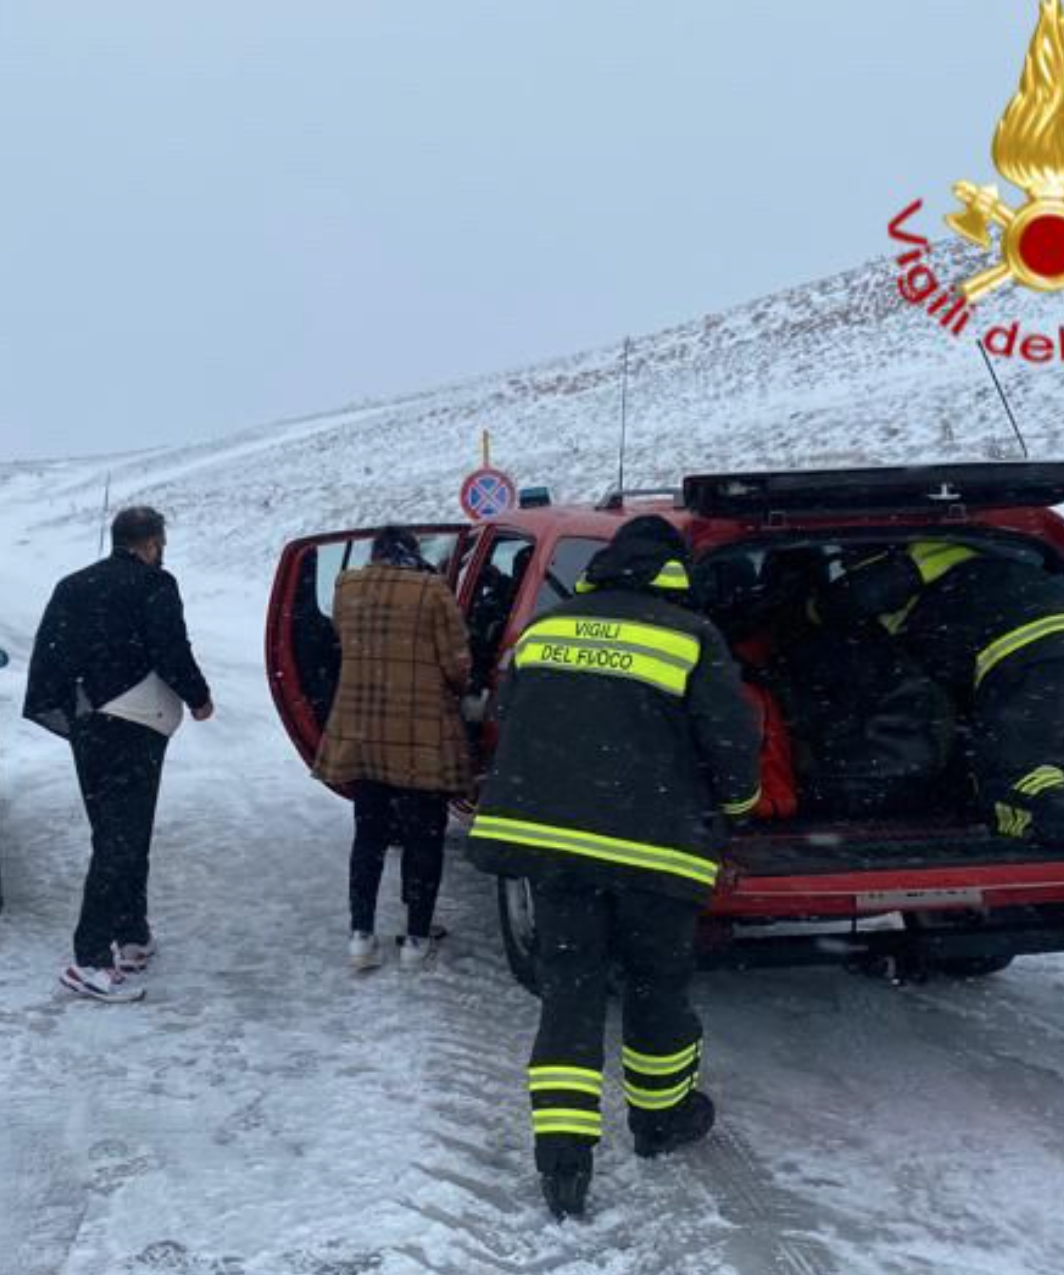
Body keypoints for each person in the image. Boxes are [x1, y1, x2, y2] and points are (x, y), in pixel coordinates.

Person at [466, 516, 761, 1222]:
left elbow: (514, 715)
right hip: (652, 849)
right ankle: (661, 1121)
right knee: (656, 984)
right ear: (675, 572)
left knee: (570, 991)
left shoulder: (545, 629)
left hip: (556, 847)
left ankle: (563, 1160)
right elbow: (731, 741)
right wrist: (738, 809)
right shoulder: (691, 636)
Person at [817, 540, 1064, 932]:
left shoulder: (908, 561)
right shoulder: (986, 549)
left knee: (1012, 785)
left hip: (1022, 651)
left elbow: (849, 599)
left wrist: (808, 607)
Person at [24, 506, 213, 1002]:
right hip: (136, 721)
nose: (161, 552)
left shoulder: (73, 585)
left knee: (114, 829)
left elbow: (50, 654)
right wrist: (198, 697)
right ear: (151, 543)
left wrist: (75, 706)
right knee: (124, 836)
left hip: (87, 723)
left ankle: (133, 934)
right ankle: (90, 959)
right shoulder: (154, 584)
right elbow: (171, 648)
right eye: (160, 543)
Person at [313, 526, 471, 970]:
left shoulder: (347, 587)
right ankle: (416, 940)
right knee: (424, 838)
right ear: (412, 553)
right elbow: (457, 663)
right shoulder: (432, 590)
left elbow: (345, 643)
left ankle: (361, 936)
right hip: (420, 733)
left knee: (369, 836)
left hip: (362, 732)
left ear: (376, 552)